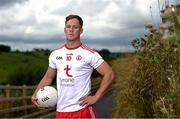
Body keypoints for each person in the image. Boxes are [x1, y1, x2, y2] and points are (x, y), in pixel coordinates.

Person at [31, 14, 115, 118]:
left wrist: (96, 97)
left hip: (82, 110)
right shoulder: (55, 54)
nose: (71, 30)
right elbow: (48, 77)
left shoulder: (89, 53)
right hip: (61, 111)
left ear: (81, 31)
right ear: (64, 30)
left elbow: (109, 74)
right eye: (68, 27)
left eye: (75, 27)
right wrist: (36, 94)